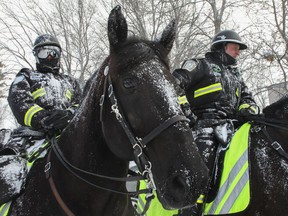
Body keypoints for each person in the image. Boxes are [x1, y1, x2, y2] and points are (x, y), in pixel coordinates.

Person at [173, 30, 259, 214]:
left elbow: (249, 98)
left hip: (233, 127)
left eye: (239, 49)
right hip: (204, 128)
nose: (238, 52)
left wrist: (246, 109)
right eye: (235, 47)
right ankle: (191, 207)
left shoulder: (235, 75)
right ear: (221, 46)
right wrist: (189, 116)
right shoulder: (200, 65)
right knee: (202, 163)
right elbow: (174, 84)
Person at [4, 34, 82, 152]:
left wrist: (69, 116)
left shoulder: (70, 81)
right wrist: (44, 119)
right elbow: (19, 101)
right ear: (36, 56)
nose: (49, 57)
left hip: (67, 134)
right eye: (44, 53)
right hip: (31, 136)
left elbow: (81, 104)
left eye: (53, 52)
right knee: (11, 161)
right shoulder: (26, 76)